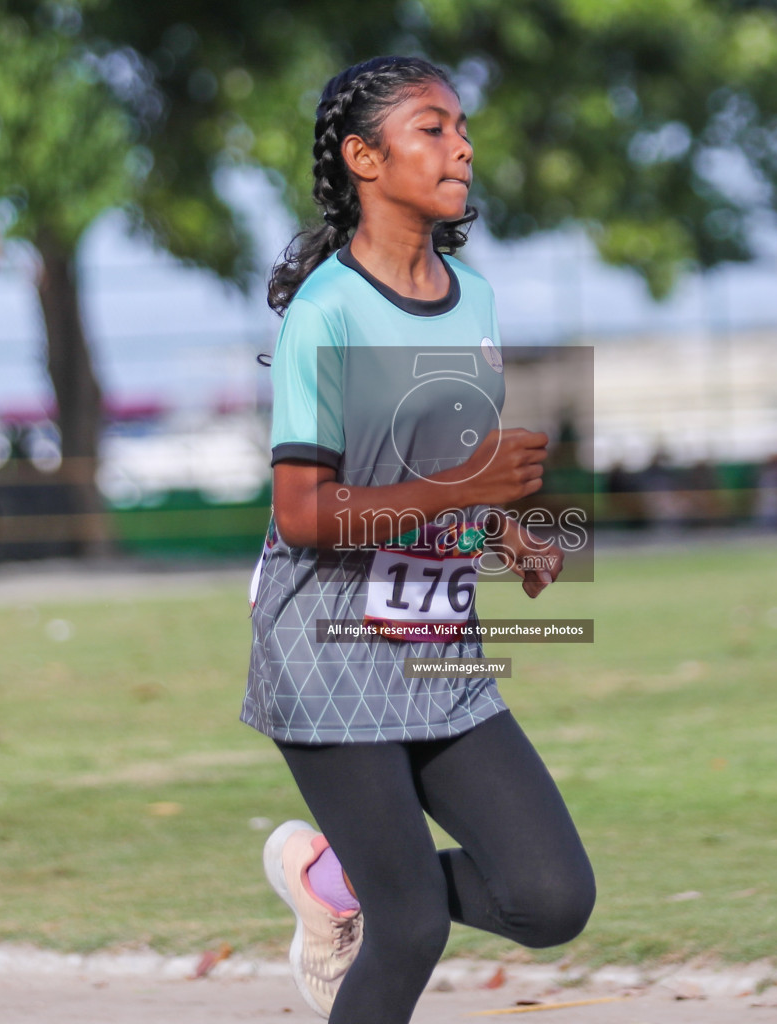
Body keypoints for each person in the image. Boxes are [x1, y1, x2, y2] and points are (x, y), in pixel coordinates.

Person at [242, 56, 596, 1024]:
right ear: (364, 157)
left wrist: (508, 531)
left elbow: (443, 462)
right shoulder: (327, 311)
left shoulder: (473, 297)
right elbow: (304, 511)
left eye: (462, 126)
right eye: (433, 127)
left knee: (552, 897)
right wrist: (468, 485)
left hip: (440, 648)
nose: (463, 146)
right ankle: (367, 893)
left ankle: (332, 883)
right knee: (411, 928)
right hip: (326, 653)